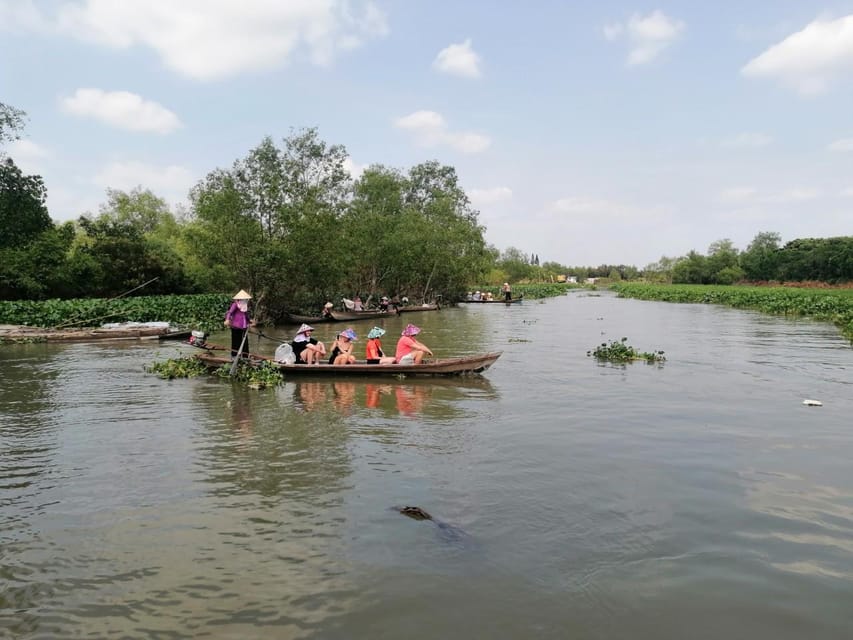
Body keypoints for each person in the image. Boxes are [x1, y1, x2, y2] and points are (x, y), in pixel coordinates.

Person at [223, 289, 255, 358]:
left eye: (246, 299)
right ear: (240, 298)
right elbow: (230, 312)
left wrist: (250, 321)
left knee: (245, 343)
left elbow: (246, 315)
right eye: (244, 298)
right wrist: (227, 319)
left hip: (244, 327)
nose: (245, 300)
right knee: (236, 342)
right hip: (236, 327)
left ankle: (245, 356)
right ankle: (234, 356)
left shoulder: (244, 306)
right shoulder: (235, 304)